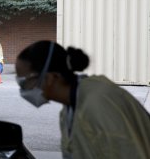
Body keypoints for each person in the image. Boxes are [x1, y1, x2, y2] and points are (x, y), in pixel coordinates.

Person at [15, 40, 150, 159]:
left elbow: (127, 152)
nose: (22, 90)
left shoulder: (98, 102)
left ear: (50, 78)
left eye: (23, 82)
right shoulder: (69, 109)